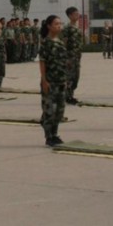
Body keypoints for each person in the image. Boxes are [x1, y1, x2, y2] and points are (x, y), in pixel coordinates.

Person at [39, 15, 67, 147]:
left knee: (59, 111)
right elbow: (42, 62)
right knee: (49, 110)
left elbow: (63, 63)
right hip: (50, 81)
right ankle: (48, 136)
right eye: (56, 24)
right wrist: (44, 80)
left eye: (60, 24)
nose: (59, 26)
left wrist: (65, 79)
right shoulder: (45, 43)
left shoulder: (60, 42)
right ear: (49, 26)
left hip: (61, 81)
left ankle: (55, 134)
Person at [61, 7, 83, 105]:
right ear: (70, 16)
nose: (77, 15)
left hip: (77, 56)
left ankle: (70, 95)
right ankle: (68, 97)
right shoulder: (67, 28)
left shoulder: (77, 28)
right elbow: (64, 43)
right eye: (75, 14)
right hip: (69, 56)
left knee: (76, 77)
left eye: (78, 13)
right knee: (69, 77)